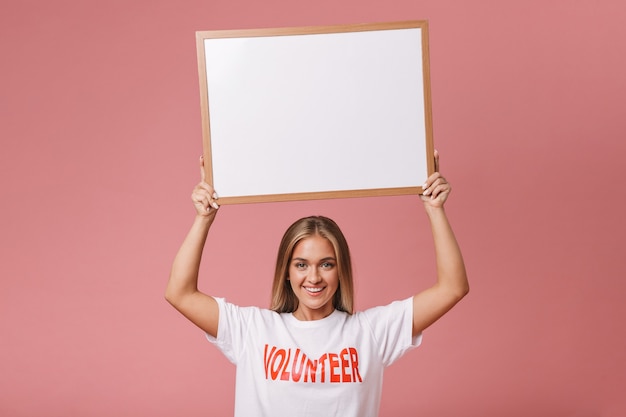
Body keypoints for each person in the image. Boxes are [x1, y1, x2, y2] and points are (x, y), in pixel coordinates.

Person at [166, 151, 469, 417]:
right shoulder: (252, 330)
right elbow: (179, 293)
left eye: (326, 264)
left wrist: (435, 209)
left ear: (341, 271)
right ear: (286, 272)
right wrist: (203, 218)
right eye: (301, 265)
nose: (313, 278)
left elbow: (453, 287)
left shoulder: (370, 333)